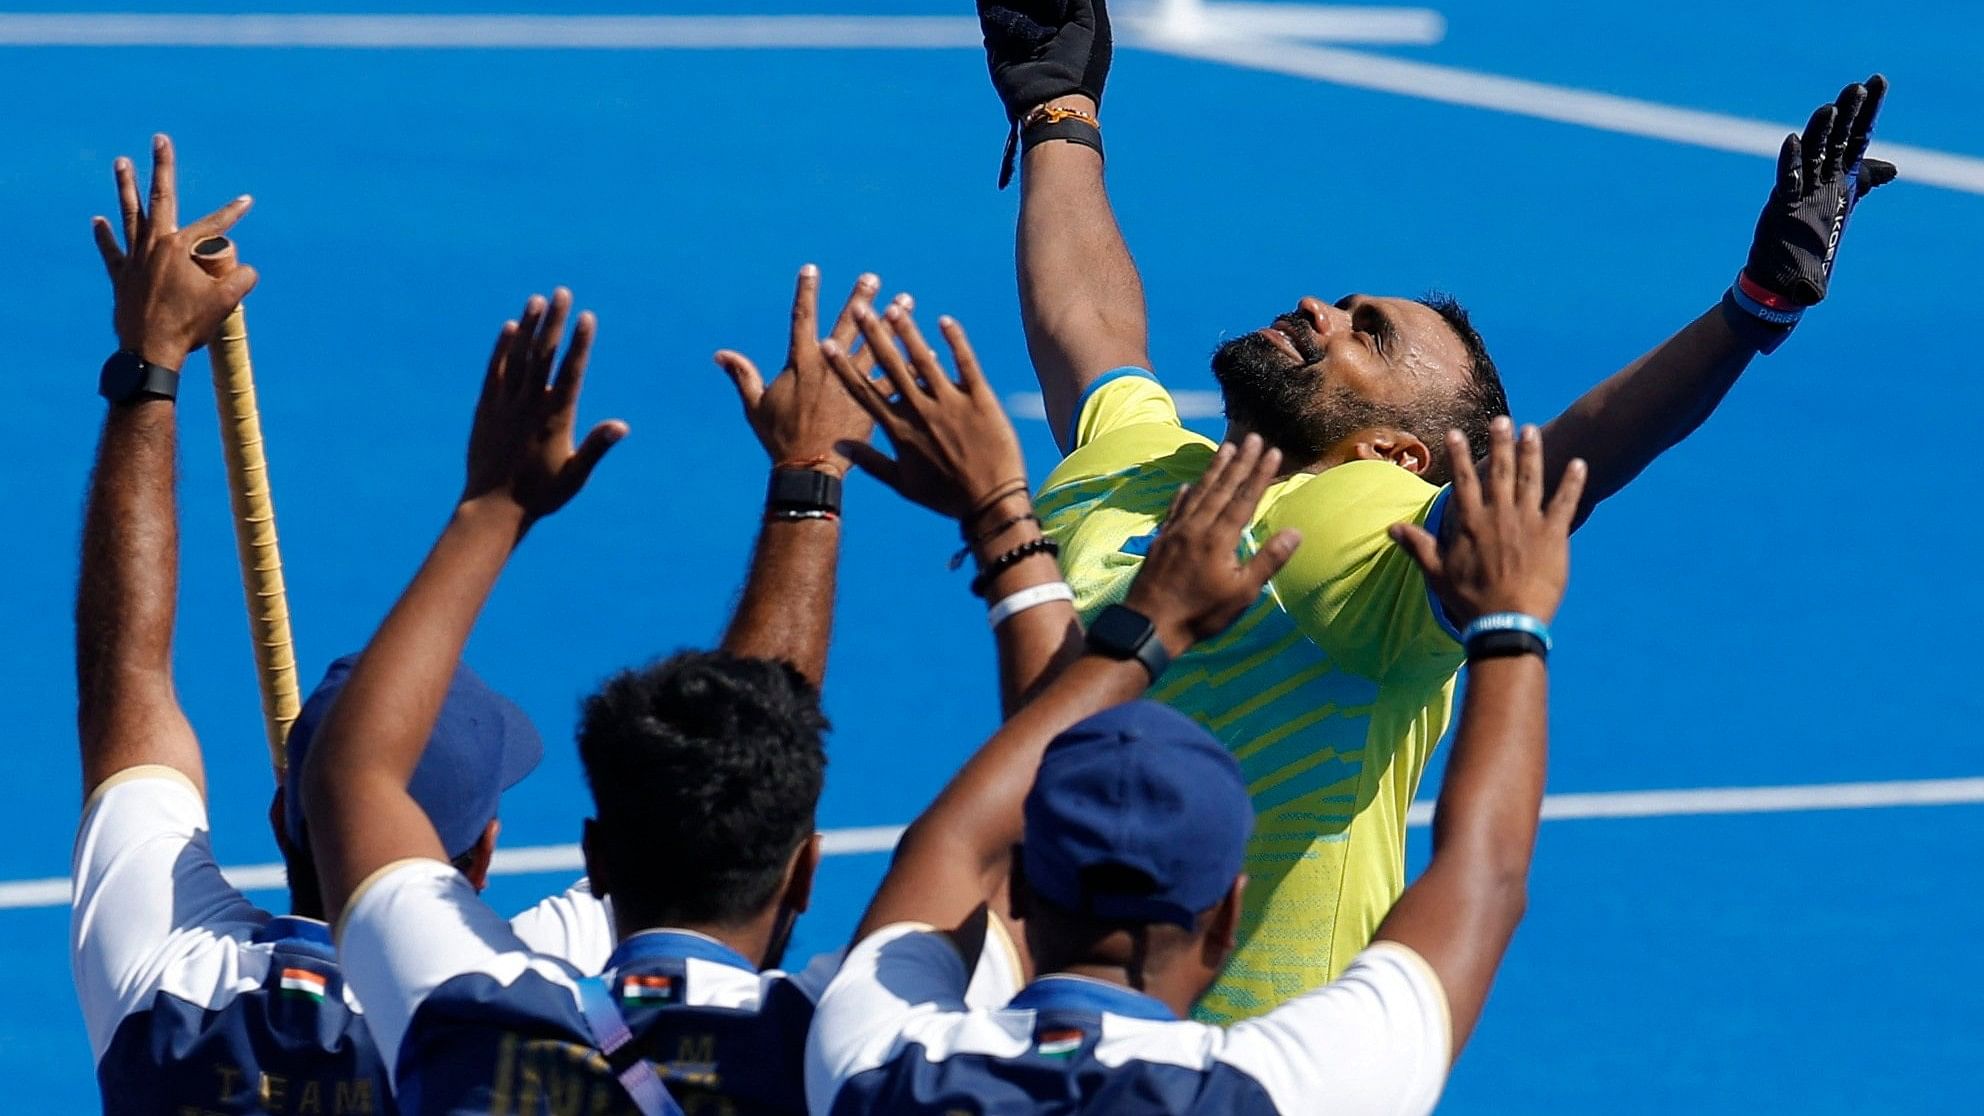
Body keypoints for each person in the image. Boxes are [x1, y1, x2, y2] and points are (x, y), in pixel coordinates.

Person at [975, 0, 1897, 1020]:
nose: (1317, 312)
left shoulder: (1355, 535)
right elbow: (1088, 323)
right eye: (1344, 305)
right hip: (1039, 1034)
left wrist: (1750, 312)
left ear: (1396, 454)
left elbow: (1545, 471)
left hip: (1259, 1069)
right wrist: (1060, 110)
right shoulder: (1151, 463)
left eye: (1366, 336)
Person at [302, 274, 1044, 1114]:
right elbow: (1039, 829)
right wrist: (999, 522)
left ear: (595, 860)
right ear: (805, 875)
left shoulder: (469, 1017)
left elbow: (352, 776)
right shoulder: (863, 1053)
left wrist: (493, 508)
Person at [807, 421, 1585, 1115]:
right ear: (1226, 920)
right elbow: (1485, 879)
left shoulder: (879, 1065)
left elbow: (949, 839)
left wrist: (1140, 616)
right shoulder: (1277, 1091)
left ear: (1016, 888)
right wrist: (1510, 620)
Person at [70, 136, 557, 1116]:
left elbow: (128, 677)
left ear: (280, 817)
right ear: (480, 861)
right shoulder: (525, 1028)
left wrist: (150, 364)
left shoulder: (162, 985)